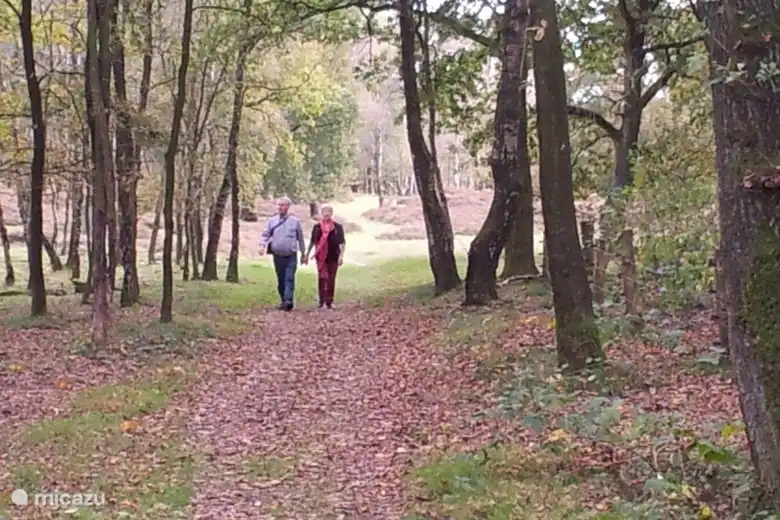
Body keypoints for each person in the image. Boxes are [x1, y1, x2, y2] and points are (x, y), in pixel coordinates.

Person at [259, 197, 307, 311]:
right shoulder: (272, 221)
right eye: (279, 205)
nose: (280, 207)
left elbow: (300, 239)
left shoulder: (295, 221)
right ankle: (283, 300)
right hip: (277, 255)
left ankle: (288, 301)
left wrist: (303, 253)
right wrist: (262, 246)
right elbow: (265, 234)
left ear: (288, 207)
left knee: (289, 278)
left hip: (291, 255)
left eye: (282, 205)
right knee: (281, 279)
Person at [306, 204, 346, 309]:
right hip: (321, 258)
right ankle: (321, 300)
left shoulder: (337, 227)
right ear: (321, 213)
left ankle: (329, 301)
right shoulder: (317, 227)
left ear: (332, 213)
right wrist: (307, 255)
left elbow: (342, 243)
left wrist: (341, 256)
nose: (327, 213)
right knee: (322, 278)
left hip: (333, 256)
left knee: (331, 279)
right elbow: (312, 242)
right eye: (325, 211)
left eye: (329, 211)